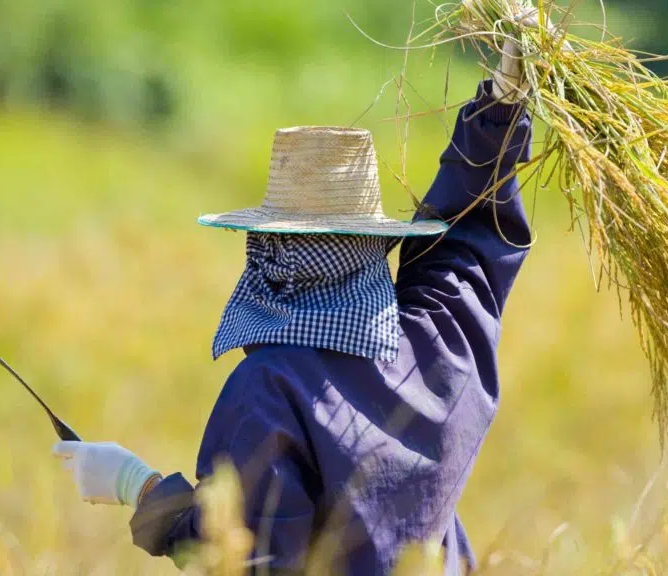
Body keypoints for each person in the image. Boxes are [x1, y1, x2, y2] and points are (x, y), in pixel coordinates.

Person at [53, 24, 538, 575]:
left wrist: (135, 486)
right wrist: (498, 114)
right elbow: (470, 245)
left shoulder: (268, 387)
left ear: (270, 253)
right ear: (373, 244)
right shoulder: (439, 343)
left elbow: (247, 553)